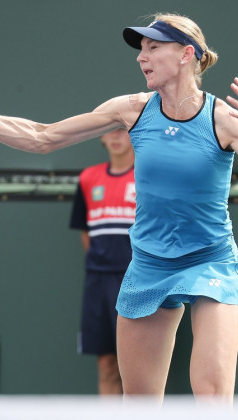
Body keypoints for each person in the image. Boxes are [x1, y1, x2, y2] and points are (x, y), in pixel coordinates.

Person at [0, 13, 238, 404]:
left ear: (186, 54)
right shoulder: (130, 109)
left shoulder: (226, 119)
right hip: (150, 264)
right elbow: (43, 137)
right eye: (141, 49)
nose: (141, 57)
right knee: (139, 404)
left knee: (211, 397)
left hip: (210, 261)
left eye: (153, 48)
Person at [69, 128, 135, 395]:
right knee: (107, 364)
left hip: (139, 282)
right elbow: (86, 232)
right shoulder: (88, 178)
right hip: (98, 281)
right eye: (110, 132)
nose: (117, 137)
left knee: (138, 369)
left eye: (123, 130)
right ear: (102, 138)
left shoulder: (148, 177)